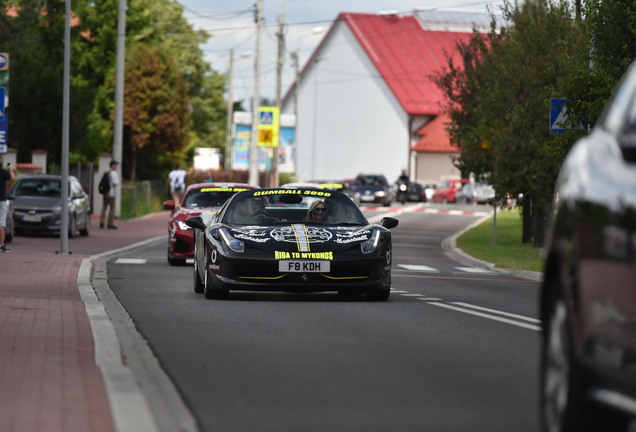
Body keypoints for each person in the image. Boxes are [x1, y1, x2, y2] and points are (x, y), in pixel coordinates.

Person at [0, 154, 16, 252]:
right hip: (1, 200)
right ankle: (1, 244)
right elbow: (12, 179)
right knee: (1, 223)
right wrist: (10, 169)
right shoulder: (2, 172)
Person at [100, 160, 119, 229]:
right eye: (115, 165)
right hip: (111, 193)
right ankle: (110, 223)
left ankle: (101, 222)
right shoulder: (114, 173)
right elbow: (115, 183)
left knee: (104, 207)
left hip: (105, 192)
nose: (116, 166)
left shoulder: (107, 173)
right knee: (112, 208)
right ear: (112, 166)